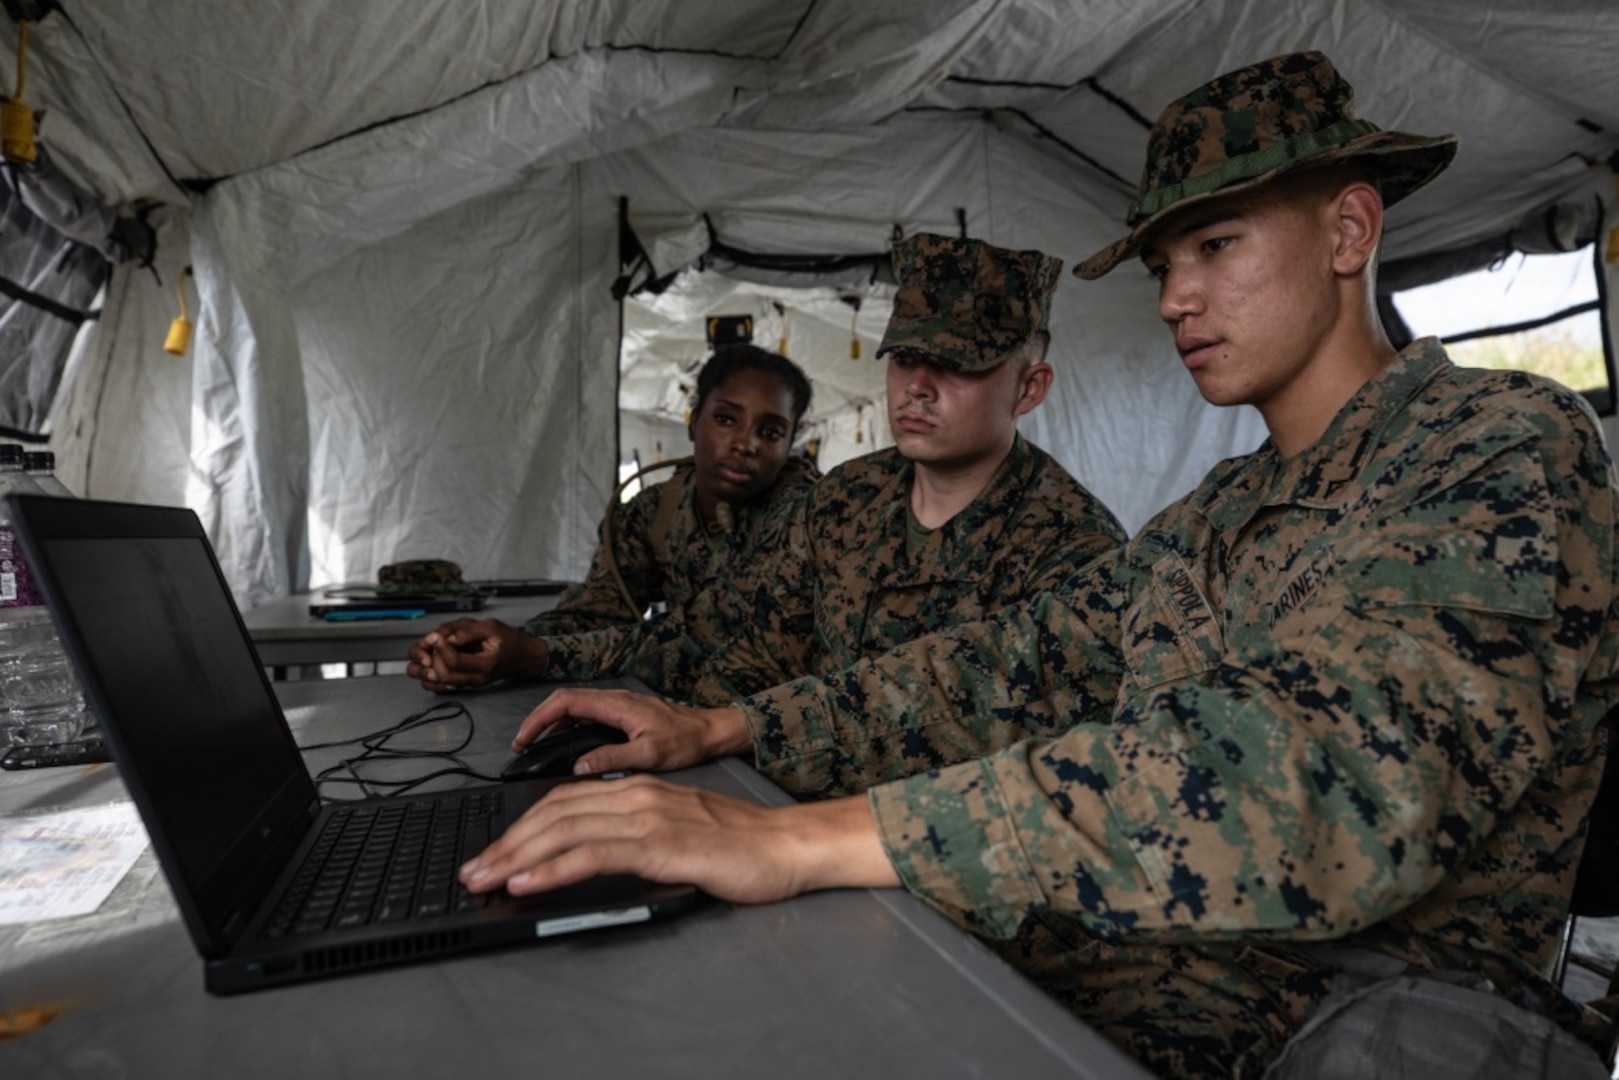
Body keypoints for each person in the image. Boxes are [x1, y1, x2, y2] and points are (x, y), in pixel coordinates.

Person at [459, 52, 1619, 1078]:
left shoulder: (1494, 444)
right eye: (1164, 259)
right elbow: (996, 669)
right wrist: (726, 732)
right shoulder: (1215, 516)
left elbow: (1334, 784)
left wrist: (805, 837)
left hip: (1369, 1008)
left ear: (1347, 232)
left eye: (1214, 246)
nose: (1172, 298)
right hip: (1164, 960)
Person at [519, 232, 1127, 796]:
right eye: (905, 356)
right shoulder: (847, 498)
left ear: (1029, 388)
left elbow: (1011, 760)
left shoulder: (1076, 549)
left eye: (958, 364)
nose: (917, 385)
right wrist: (673, 734)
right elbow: (745, 648)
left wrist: (725, 733)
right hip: (778, 813)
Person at [406, 343, 817, 701]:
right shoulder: (654, 511)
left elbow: (700, 642)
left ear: (789, 444)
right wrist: (488, 646)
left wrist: (531, 655)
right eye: (727, 419)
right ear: (693, 422)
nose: (746, 444)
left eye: (770, 431)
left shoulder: (806, 514)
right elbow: (597, 612)